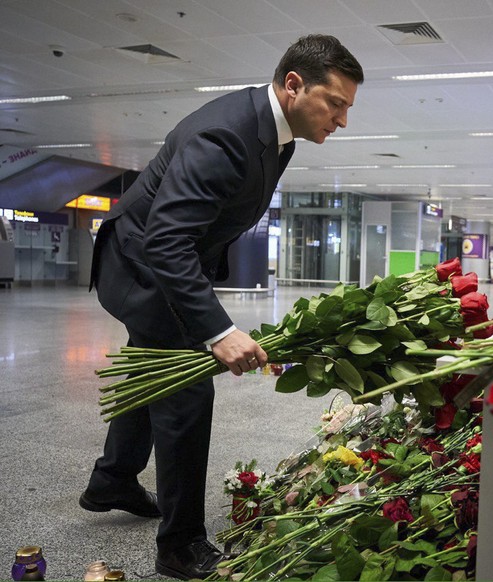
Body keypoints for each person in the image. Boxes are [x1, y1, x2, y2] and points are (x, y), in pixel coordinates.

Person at [79, 35, 364, 580]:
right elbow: (165, 240)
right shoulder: (225, 136)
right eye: (337, 103)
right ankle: (180, 546)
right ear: (293, 85)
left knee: (153, 369)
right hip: (140, 267)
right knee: (186, 392)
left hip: (159, 260)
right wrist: (217, 331)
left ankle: (112, 479)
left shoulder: (279, 136)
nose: (343, 120)